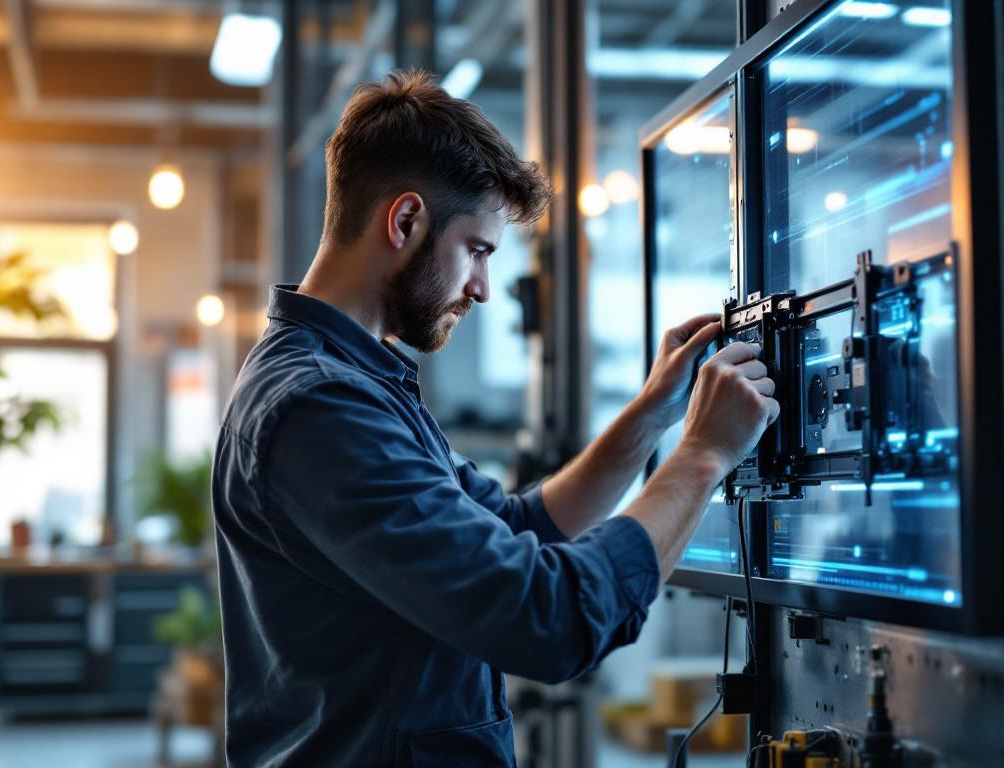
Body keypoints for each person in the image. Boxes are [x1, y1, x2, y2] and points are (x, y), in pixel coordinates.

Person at [211, 69, 778, 767]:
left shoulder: (359, 381)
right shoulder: (318, 408)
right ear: (406, 221)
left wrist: (652, 417)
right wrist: (703, 456)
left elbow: (517, 527)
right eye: (477, 250)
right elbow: (547, 621)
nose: (481, 287)